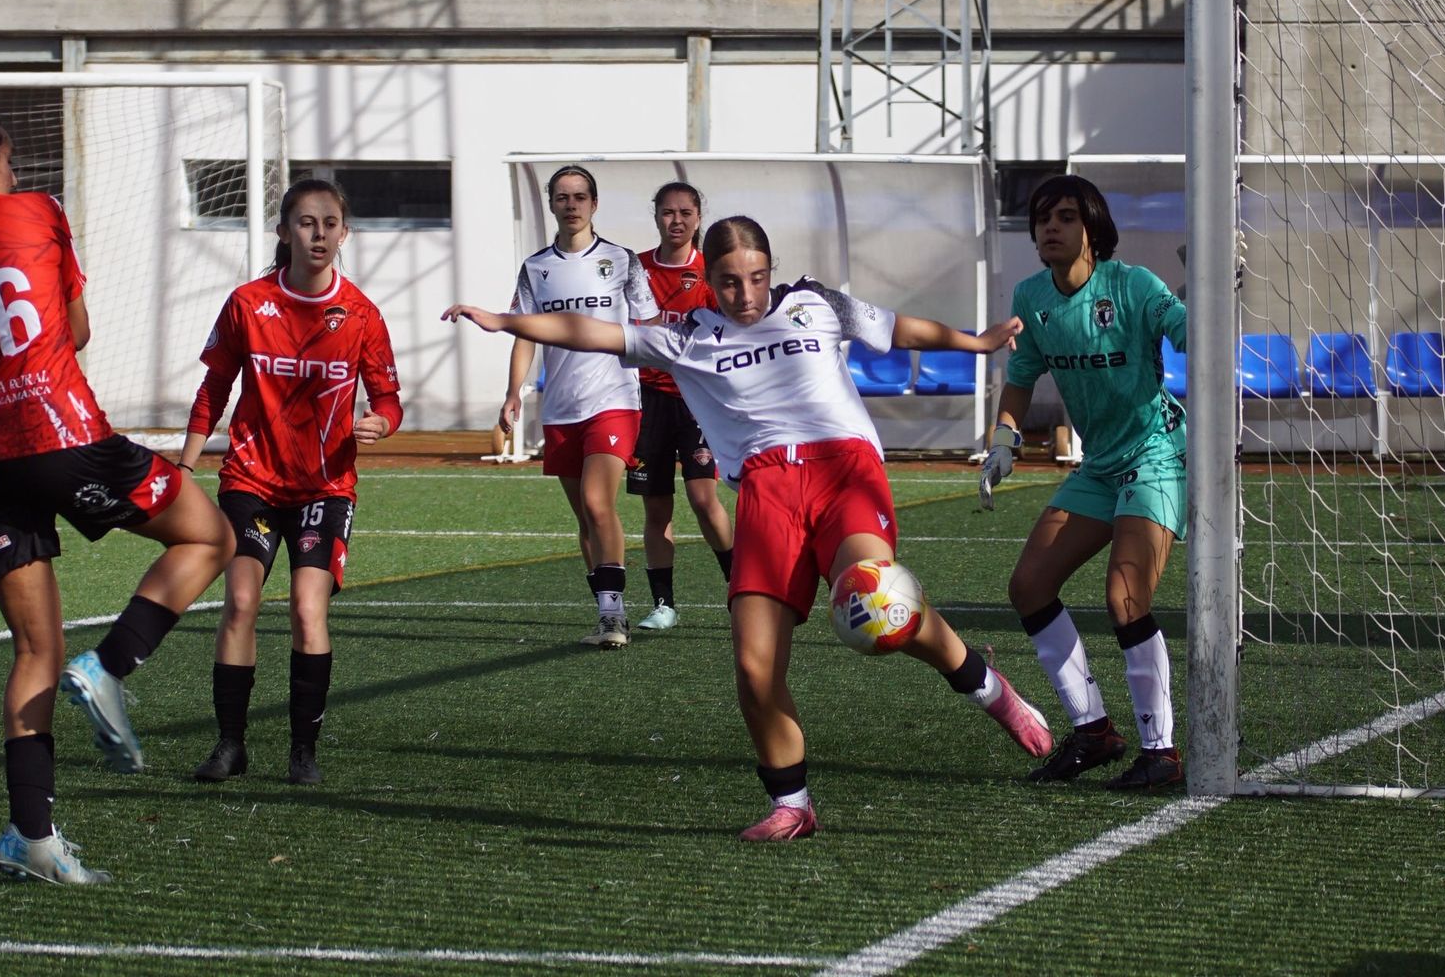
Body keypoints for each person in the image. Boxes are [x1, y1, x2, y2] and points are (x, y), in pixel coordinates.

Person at [445, 215, 1054, 842]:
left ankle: (986, 687)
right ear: (708, 280)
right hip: (766, 491)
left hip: (843, 469)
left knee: (875, 595)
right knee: (755, 669)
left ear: (772, 269)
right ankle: (793, 804)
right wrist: (506, 320)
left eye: (757, 277)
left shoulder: (815, 303)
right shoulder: (685, 335)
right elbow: (587, 331)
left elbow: (898, 328)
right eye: (730, 283)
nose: (746, 294)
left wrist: (977, 344)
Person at [0, 112, 234, 883]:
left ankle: (34, 836)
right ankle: (113, 666)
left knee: (33, 650)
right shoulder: (38, 211)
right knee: (209, 537)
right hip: (59, 432)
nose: (16, 176)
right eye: (10, 162)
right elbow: (76, 330)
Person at [178, 178, 402, 787]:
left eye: (330, 223)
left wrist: (381, 420)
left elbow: (387, 397)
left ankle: (303, 752)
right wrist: (183, 465)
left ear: (345, 233)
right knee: (241, 602)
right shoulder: (249, 303)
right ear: (284, 232)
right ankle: (230, 744)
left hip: (326, 487)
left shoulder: (360, 314)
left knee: (308, 610)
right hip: (250, 478)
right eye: (306, 223)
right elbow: (213, 389)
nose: (319, 234)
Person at [978, 174, 1188, 790]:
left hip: (1156, 454)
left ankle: (1161, 751)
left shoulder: (1134, 286)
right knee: (1029, 585)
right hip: (1099, 465)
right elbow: (1020, 378)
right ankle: (1094, 731)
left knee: (1125, 597)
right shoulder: (1032, 297)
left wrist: (1204, 294)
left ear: (1092, 229)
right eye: (1043, 218)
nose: (1049, 227)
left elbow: (1187, 337)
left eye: (1065, 217)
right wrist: (1003, 442)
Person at [501, 165, 659, 648]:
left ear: (594, 204)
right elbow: (524, 332)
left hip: (614, 400)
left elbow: (649, 325)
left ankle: (615, 618)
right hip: (561, 407)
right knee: (584, 518)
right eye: (562, 197)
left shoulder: (622, 260)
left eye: (580, 196)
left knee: (598, 502)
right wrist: (513, 392)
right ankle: (606, 611)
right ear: (551, 204)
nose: (571, 204)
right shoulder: (535, 268)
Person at [627, 182, 735, 630]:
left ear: (697, 216)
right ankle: (663, 605)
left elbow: (727, 333)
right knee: (656, 507)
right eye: (668, 212)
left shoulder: (711, 272)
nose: (677, 220)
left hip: (694, 398)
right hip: (645, 401)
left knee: (703, 497)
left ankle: (739, 589)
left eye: (685, 212)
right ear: (655, 216)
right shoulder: (635, 268)